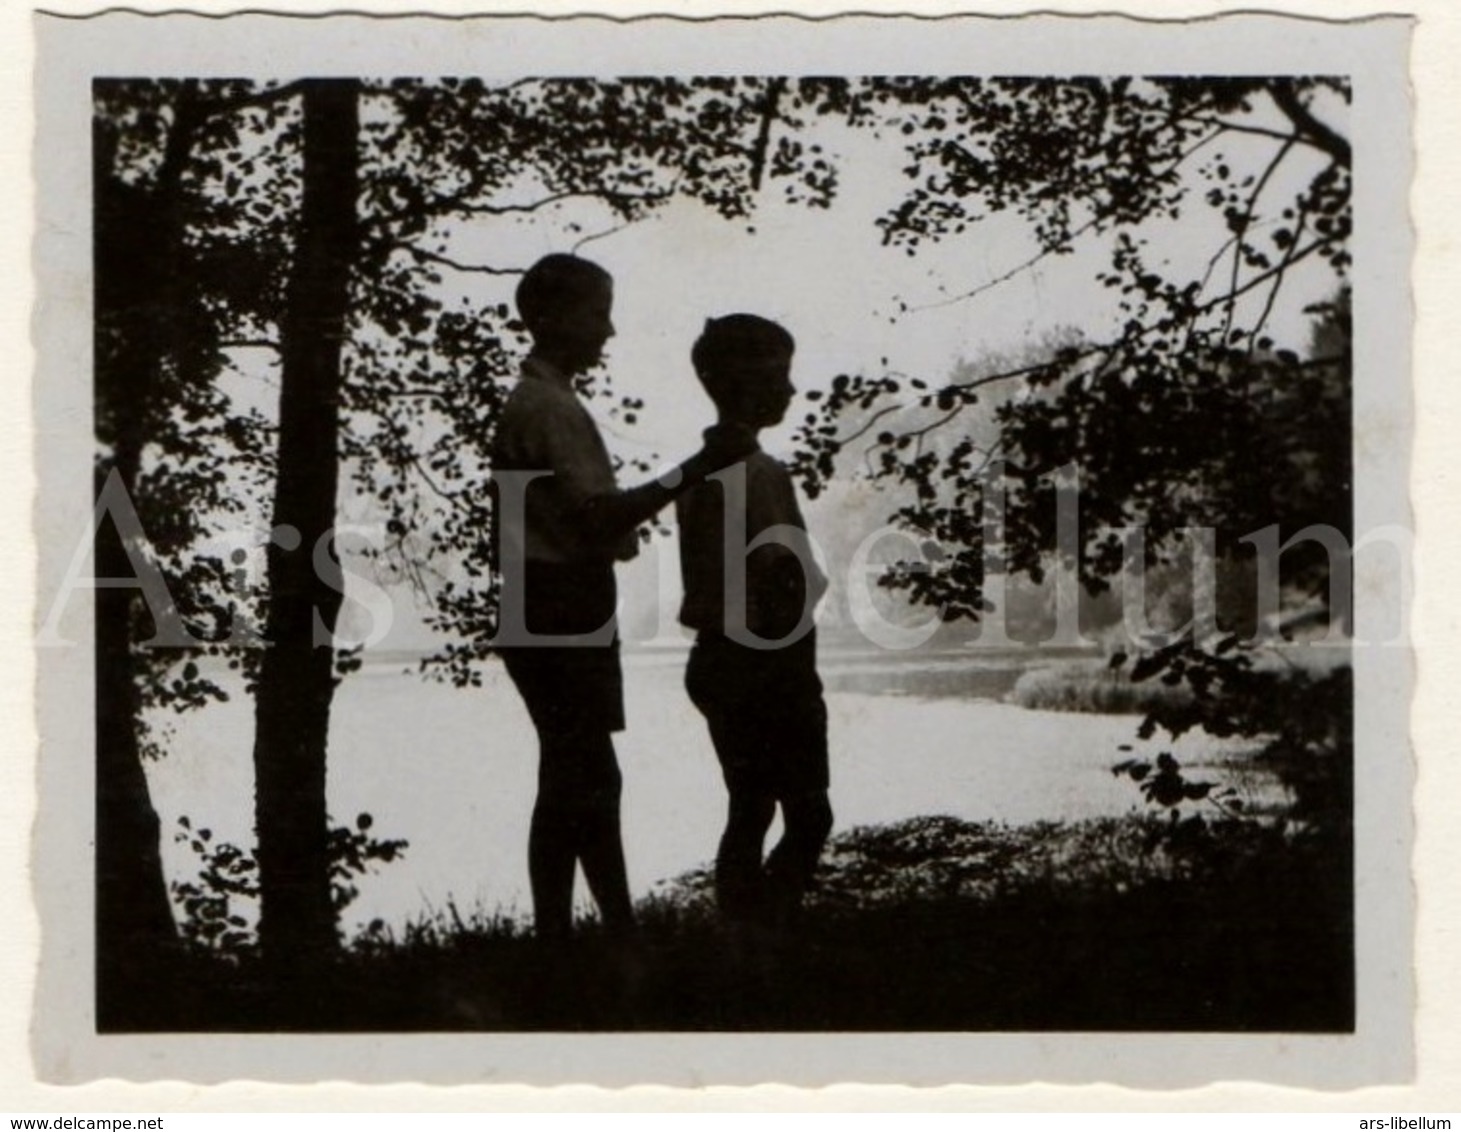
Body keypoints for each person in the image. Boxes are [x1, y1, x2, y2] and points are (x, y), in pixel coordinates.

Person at [490, 254, 749, 942]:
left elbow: (576, 516)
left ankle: (596, 929)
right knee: (582, 774)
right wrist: (696, 468)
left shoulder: (545, 399)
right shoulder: (547, 406)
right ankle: (588, 932)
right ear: (547, 318)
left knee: (579, 773)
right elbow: (597, 516)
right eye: (597, 312)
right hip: (558, 603)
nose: (609, 329)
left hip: (549, 599)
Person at [677, 314, 834, 929]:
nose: (792, 390)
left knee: (749, 806)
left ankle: (744, 931)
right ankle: (768, 923)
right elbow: (781, 575)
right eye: (782, 375)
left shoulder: (697, 474)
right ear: (748, 382)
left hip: (716, 658)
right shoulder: (761, 472)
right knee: (809, 814)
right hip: (768, 660)